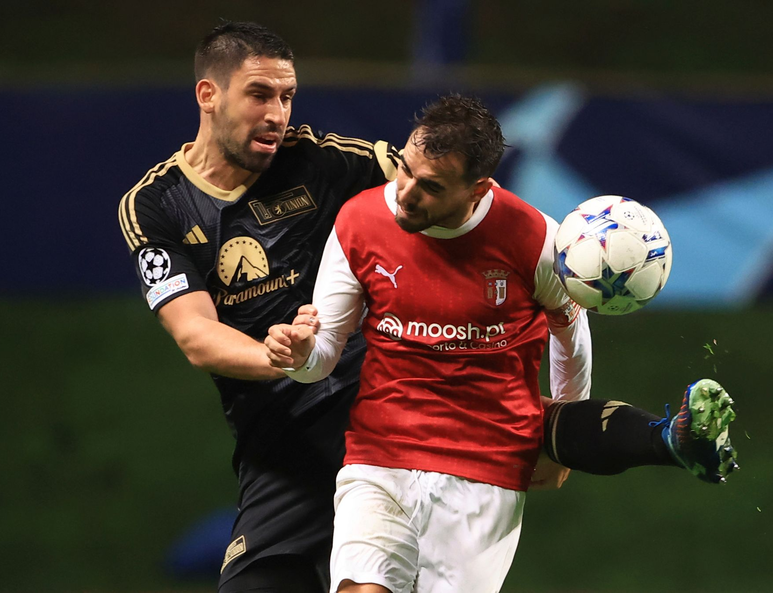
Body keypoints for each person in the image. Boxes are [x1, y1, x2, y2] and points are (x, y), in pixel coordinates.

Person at [265, 94, 738, 593]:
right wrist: (299, 357)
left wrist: (564, 443)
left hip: (486, 465)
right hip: (381, 454)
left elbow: (570, 335)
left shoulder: (531, 238)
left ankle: (669, 440)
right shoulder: (358, 221)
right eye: (404, 169)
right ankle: (668, 439)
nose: (405, 193)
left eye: (430, 187)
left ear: (478, 189)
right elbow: (322, 356)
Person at [118, 21, 399, 593]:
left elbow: (446, 182)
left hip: (376, 414)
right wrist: (285, 358)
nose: (278, 114)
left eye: (287, 96)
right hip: (280, 447)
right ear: (208, 95)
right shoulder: (157, 204)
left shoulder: (327, 163)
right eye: (260, 95)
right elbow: (196, 334)